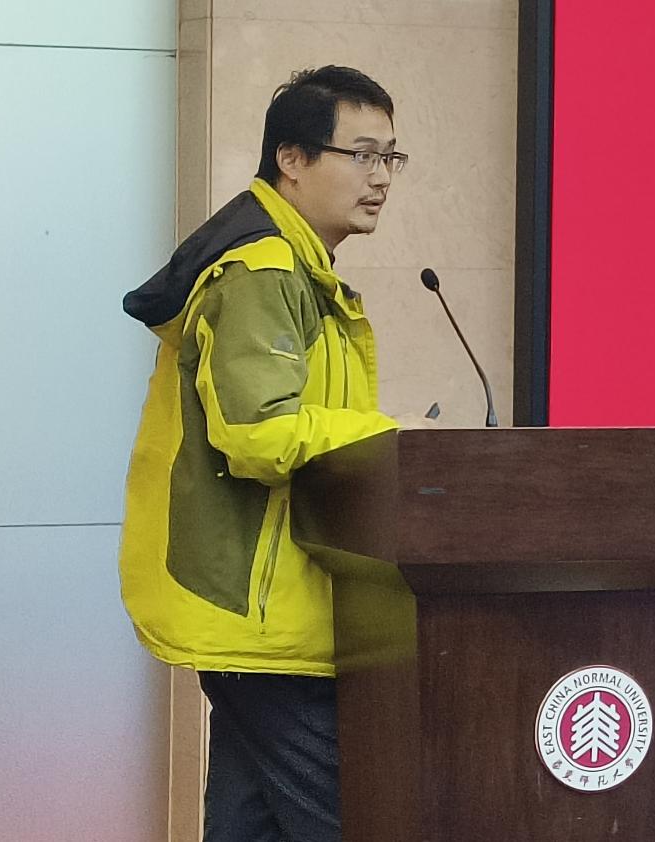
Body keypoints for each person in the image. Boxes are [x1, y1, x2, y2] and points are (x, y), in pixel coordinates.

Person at [118, 65, 406, 842]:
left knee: (250, 827)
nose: (381, 178)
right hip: (262, 612)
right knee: (353, 822)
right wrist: (382, 436)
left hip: (272, 614)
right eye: (361, 154)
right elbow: (258, 434)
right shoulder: (261, 270)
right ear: (292, 158)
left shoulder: (299, 270)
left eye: (391, 158)